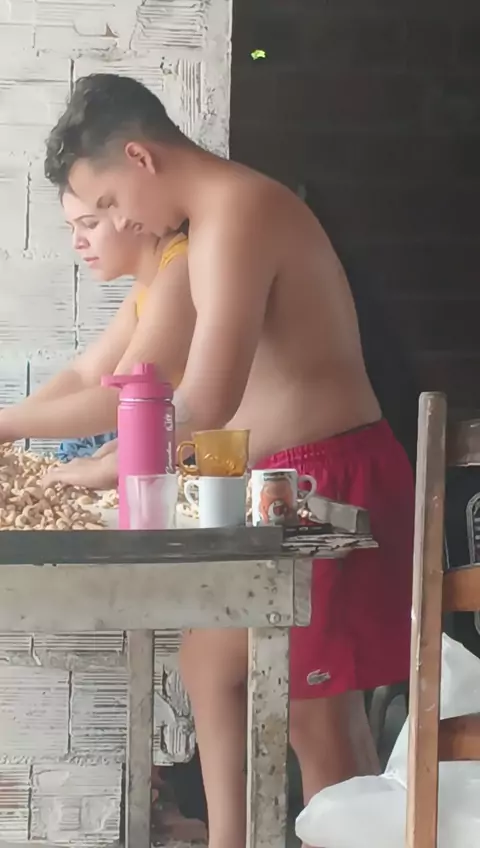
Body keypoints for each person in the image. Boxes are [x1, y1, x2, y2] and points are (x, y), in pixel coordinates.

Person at [10, 74, 414, 848]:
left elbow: (203, 401)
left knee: (314, 717)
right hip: (288, 480)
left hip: (330, 479)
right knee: (225, 670)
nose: (120, 222)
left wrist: (102, 467)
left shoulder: (240, 210)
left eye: (110, 201)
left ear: (140, 157)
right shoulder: (212, 222)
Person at [1, 189, 195, 490]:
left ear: (134, 216)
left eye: (89, 224)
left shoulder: (182, 268)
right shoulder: (149, 283)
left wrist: (8, 424)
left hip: (202, 450)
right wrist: (9, 423)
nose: (76, 242)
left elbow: (125, 397)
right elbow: (84, 375)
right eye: (72, 228)